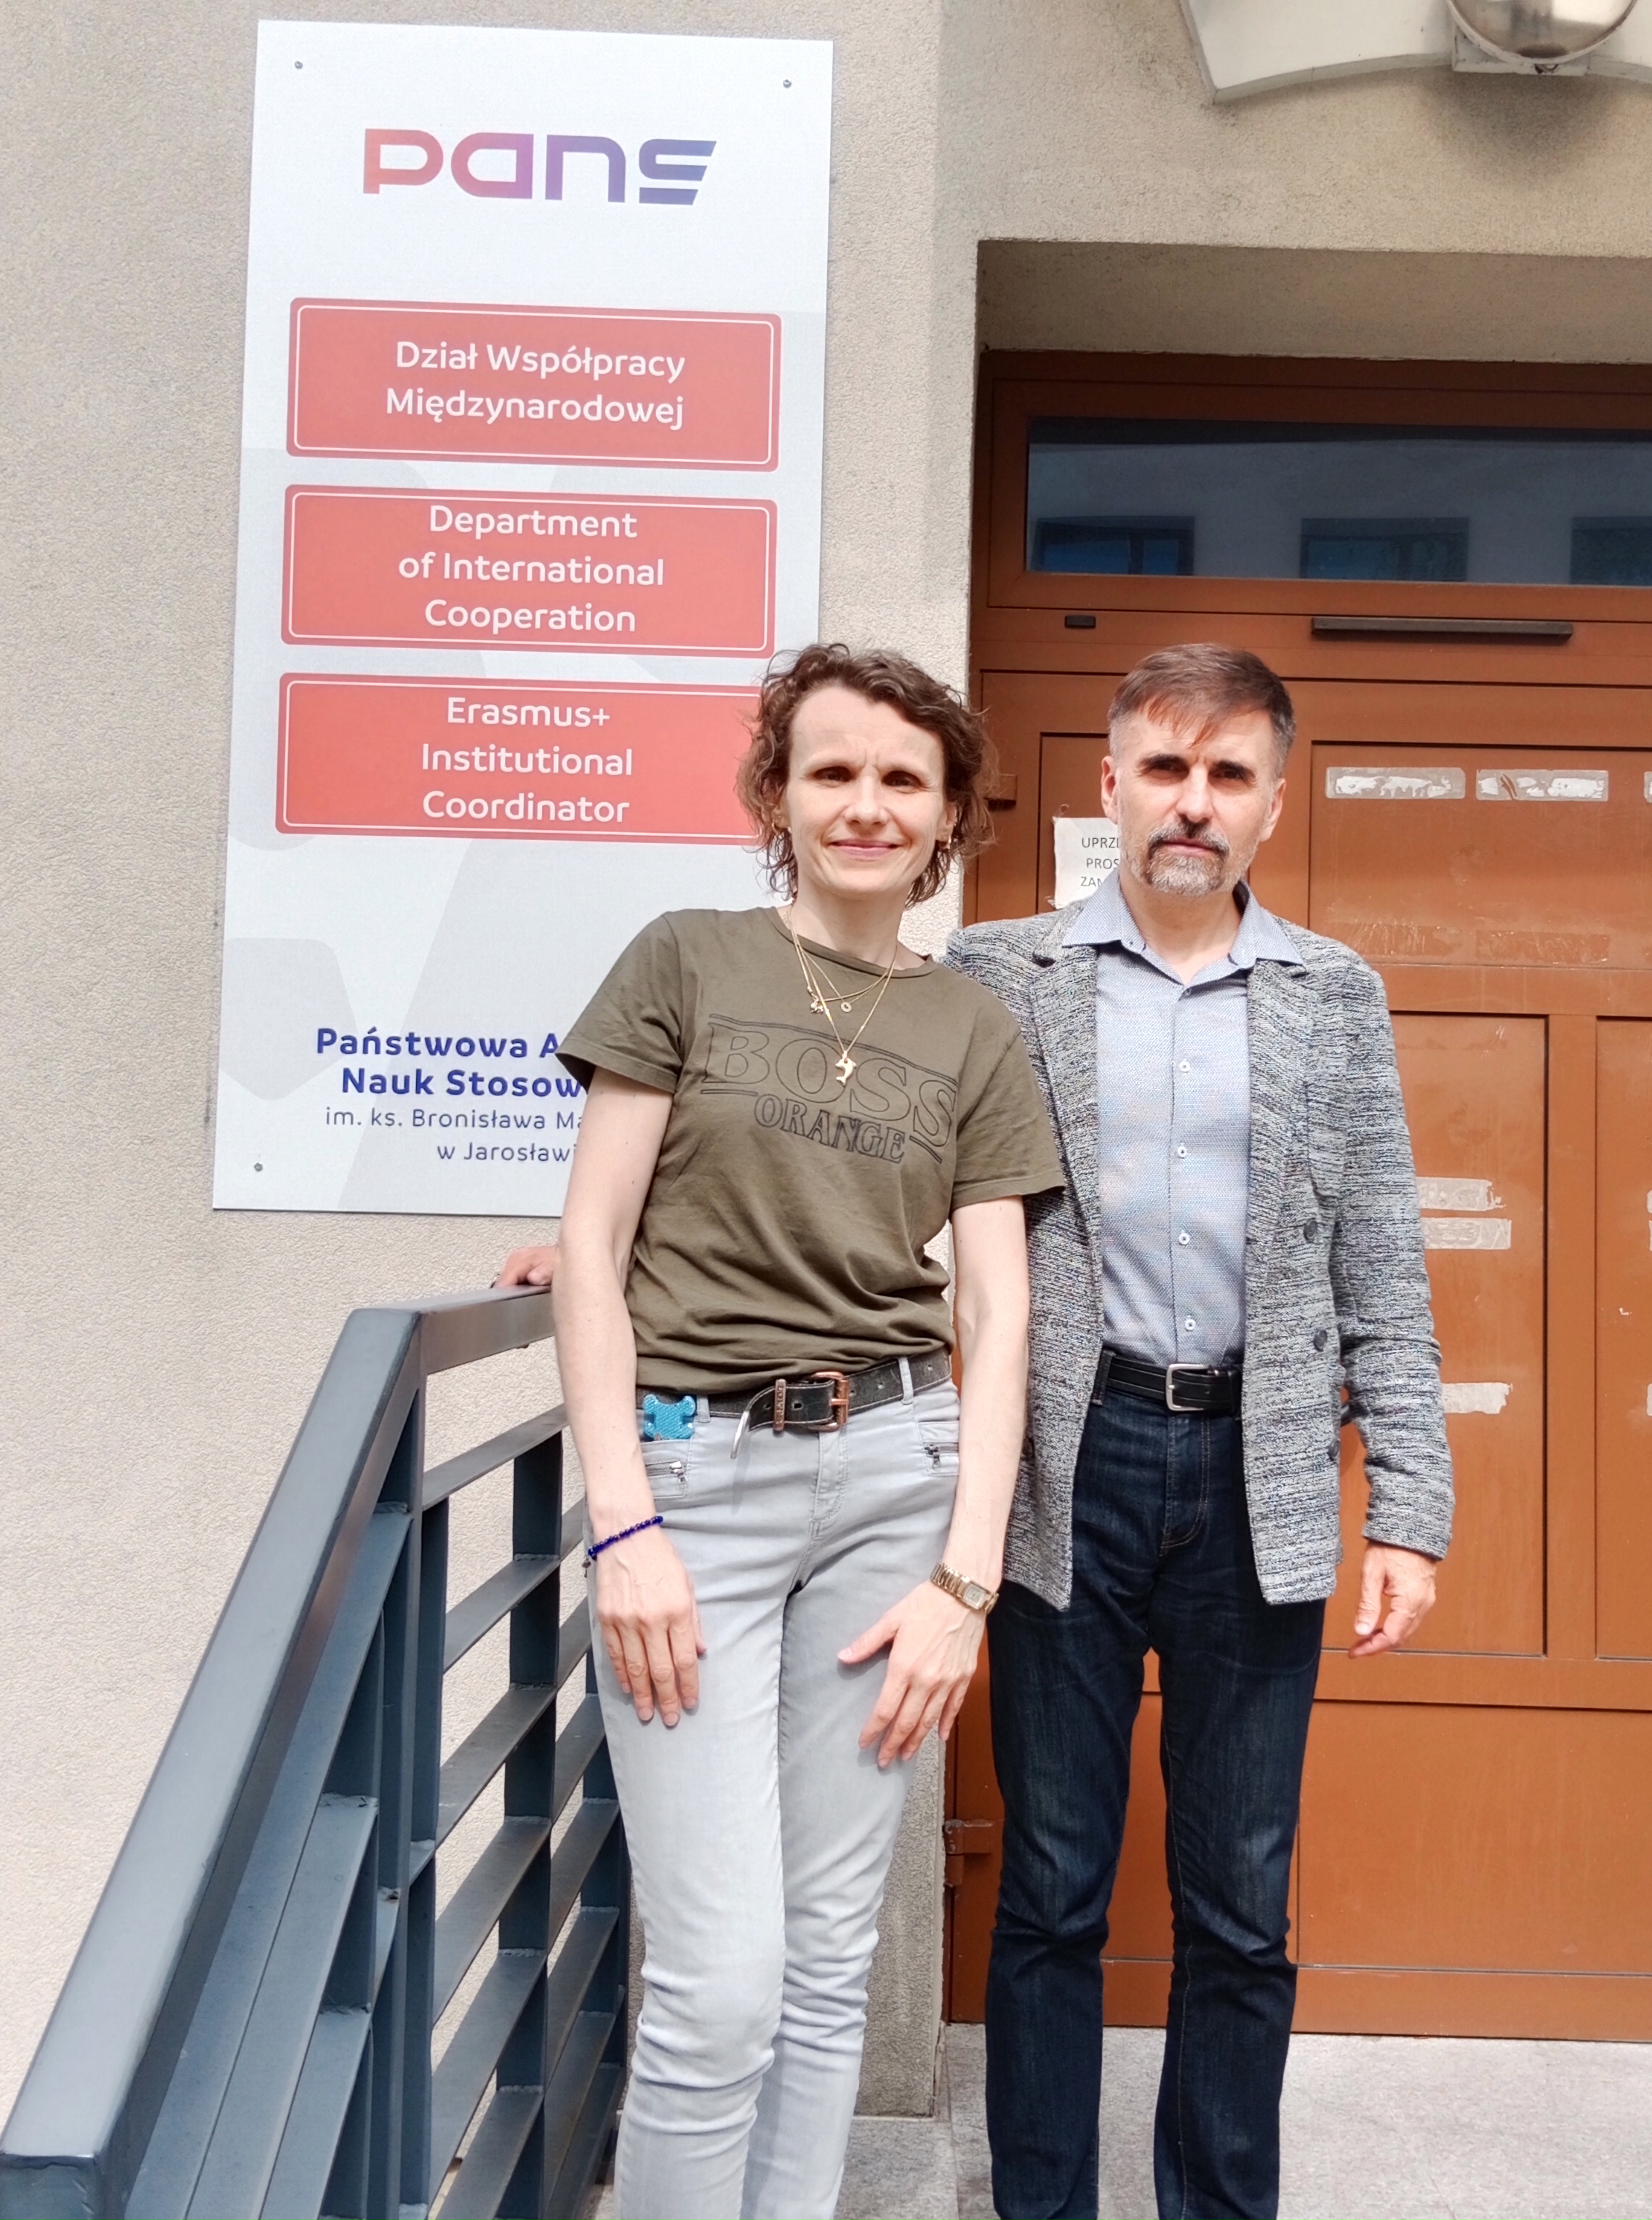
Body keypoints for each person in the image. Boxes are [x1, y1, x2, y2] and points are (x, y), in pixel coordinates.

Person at [496, 642, 1063, 2220]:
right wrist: (623, 1524)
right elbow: (594, 1246)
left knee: (824, 1962)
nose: (867, 804)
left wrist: (965, 1583)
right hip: (693, 1483)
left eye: (903, 779)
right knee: (720, 1977)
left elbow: (996, 1309)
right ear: (778, 793)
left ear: (948, 814)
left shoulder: (973, 1028)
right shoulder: (686, 960)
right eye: (834, 771)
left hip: (897, 1483)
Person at [944, 643, 1454, 2220]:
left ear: (1273, 806)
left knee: (1239, 1907)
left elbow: (1382, 1253)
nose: (1193, 802)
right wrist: (622, 1237)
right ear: (1111, 784)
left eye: (1228, 775)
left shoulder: (1332, 994)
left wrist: (1411, 1506)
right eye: (1165, 768)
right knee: (1051, 1890)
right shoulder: (998, 974)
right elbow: (880, 1179)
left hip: (1260, 1471)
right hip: (1066, 1467)